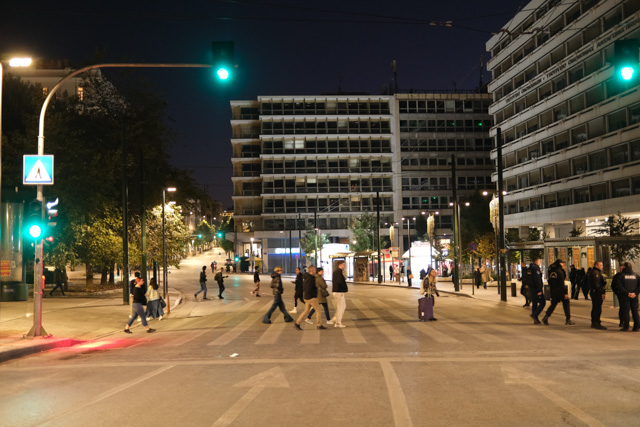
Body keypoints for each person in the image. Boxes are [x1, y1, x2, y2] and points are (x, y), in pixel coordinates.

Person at [542, 259, 574, 326]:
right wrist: (565, 293)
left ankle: (546, 317)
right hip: (560, 291)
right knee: (566, 303)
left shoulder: (551, 270)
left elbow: (549, 281)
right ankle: (568, 319)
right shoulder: (559, 271)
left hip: (553, 290)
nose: (563, 264)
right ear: (560, 263)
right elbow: (561, 283)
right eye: (562, 263)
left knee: (553, 304)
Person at [294, 266, 325, 330]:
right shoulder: (311, 279)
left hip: (307, 297)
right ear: (312, 271)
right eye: (315, 270)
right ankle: (319, 325)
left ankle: (297, 323)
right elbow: (309, 288)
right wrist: (314, 293)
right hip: (311, 297)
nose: (316, 271)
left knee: (306, 311)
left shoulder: (306, 277)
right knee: (318, 310)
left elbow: (304, 288)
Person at [612, 262, 640, 331]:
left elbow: (620, 286)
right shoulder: (636, 276)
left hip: (624, 296)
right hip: (634, 296)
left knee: (626, 312)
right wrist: (635, 293)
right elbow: (639, 286)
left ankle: (626, 326)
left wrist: (627, 293)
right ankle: (636, 327)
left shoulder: (620, 276)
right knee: (635, 311)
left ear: (624, 267)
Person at [588, 261, 607, 330]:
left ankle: (594, 322)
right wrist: (602, 292)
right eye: (600, 265)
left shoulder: (595, 272)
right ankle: (596, 323)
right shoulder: (596, 273)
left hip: (594, 292)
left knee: (595, 308)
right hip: (596, 292)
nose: (602, 266)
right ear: (596, 265)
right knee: (597, 308)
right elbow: (597, 285)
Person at [331, 260, 349, 328]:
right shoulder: (338, 272)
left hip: (337, 291)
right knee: (341, 307)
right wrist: (344, 288)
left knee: (342, 306)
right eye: (344, 264)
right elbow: (339, 282)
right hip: (339, 292)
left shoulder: (337, 272)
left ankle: (335, 319)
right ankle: (338, 322)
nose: (345, 266)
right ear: (340, 265)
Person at [529, 257, 545, 324]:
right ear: (537, 262)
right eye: (539, 261)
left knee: (534, 303)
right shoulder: (535, 269)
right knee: (542, 303)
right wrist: (539, 290)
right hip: (536, 289)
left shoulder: (530, 269)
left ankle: (535, 319)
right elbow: (537, 280)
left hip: (532, 289)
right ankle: (534, 315)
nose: (540, 263)